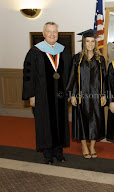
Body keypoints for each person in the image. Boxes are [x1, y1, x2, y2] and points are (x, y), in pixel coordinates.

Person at [22, 22, 71, 164]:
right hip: (42, 95)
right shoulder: (35, 52)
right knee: (45, 123)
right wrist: (31, 96)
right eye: (49, 31)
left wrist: (68, 93)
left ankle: (58, 152)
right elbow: (28, 76)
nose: (52, 34)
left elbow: (69, 74)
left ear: (58, 34)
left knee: (60, 122)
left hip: (60, 96)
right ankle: (48, 154)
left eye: (54, 31)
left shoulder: (64, 51)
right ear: (43, 34)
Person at [67, 29, 106, 159]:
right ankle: (84, 145)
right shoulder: (77, 58)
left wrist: (104, 94)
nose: (90, 44)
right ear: (84, 43)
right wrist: (72, 94)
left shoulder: (100, 59)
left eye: (92, 41)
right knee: (81, 120)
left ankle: (92, 146)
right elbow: (72, 77)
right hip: (81, 95)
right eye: (87, 41)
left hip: (95, 96)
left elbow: (104, 79)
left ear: (95, 43)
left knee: (95, 120)